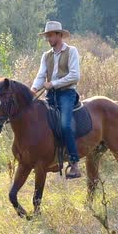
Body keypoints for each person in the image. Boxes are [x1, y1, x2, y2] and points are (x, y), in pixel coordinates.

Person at [31, 21, 82, 178]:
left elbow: (74, 75)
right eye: (47, 36)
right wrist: (33, 90)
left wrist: (53, 83)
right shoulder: (46, 56)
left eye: (51, 35)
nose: (48, 39)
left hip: (67, 94)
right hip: (51, 95)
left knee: (65, 125)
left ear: (59, 35)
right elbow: (41, 75)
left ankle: (74, 164)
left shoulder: (72, 51)